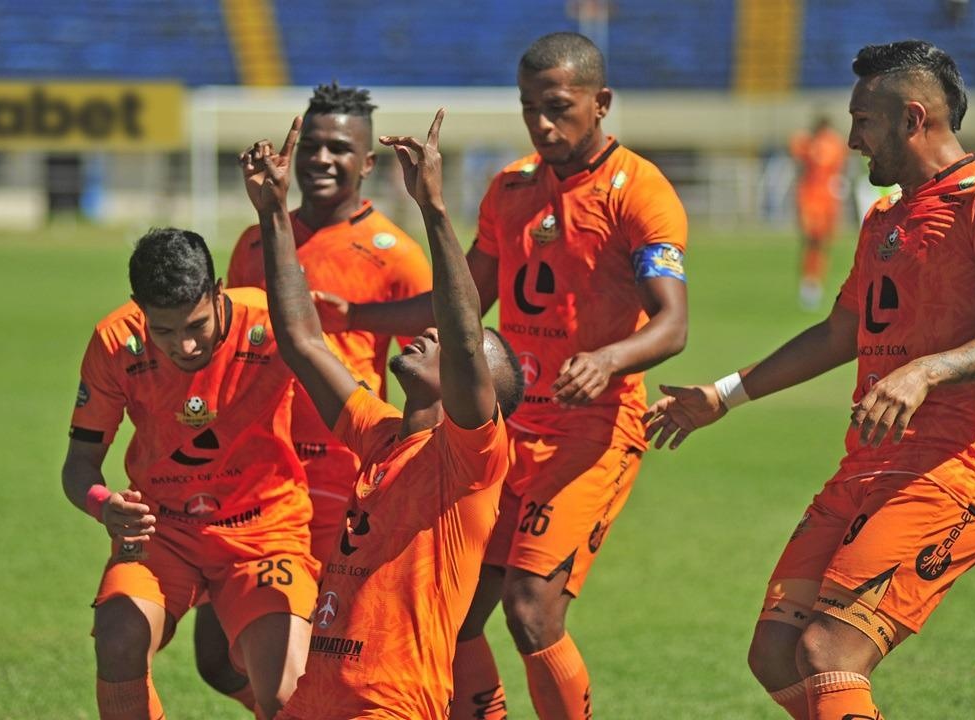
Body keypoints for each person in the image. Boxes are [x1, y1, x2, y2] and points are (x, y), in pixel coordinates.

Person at [644, 40, 975, 719]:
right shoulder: (886, 217)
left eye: (865, 121)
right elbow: (841, 333)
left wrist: (926, 371)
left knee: (830, 651)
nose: (853, 139)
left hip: (951, 473)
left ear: (913, 118)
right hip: (868, 465)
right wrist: (724, 394)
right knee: (775, 653)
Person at [315, 31, 689, 719]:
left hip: (591, 433)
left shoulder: (640, 192)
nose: (542, 124)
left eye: (558, 107)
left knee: (531, 609)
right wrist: (355, 314)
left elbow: (673, 323)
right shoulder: (511, 188)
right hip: (506, 430)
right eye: (529, 108)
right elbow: (461, 307)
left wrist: (608, 359)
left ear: (601, 102)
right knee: (457, 613)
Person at [240, 111, 524, 719]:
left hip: (387, 706)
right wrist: (272, 212)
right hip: (315, 700)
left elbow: (468, 338)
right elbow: (302, 342)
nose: (429, 333)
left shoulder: (470, 462)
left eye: (445, 341)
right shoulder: (382, 437)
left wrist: (434, 210)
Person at [196, 81, 432, 711]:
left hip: (342, 478)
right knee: (218, 658)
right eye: (313, 148)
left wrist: (356, 318)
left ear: (368, 162)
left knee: (319, 656)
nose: (322, 160)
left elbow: (434, 360)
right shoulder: (256, 244)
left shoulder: (396, 256)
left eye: (339, 149)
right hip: (259, 475)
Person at [61, 228, 321, 720]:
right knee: (118, 637)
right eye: (163, 330)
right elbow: (78, 464)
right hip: (164, 530)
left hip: (264, 529)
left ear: (217, 289)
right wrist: (103, 504)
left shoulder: (270, 321)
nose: (183, 344)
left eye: (196, 325)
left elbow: (343, 400)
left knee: (286, 689)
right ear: (139, 307)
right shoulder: (116, 340)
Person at [789, 115, 848, 310]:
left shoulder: (826, 144)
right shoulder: (817, 144)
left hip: (825, 199)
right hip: (813, 198)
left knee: (821, 243)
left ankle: (814, 283)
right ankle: (810, 284)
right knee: (812, 241)